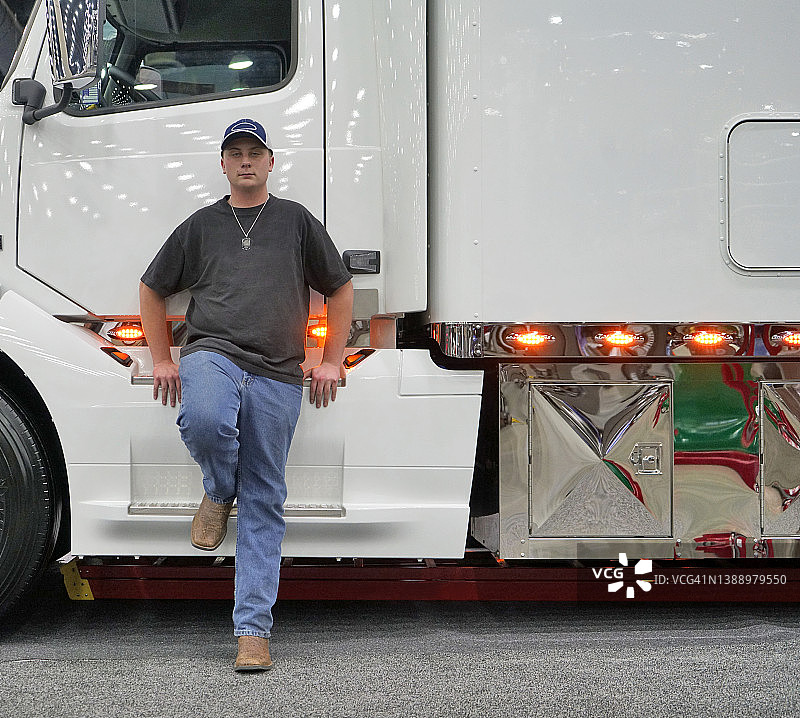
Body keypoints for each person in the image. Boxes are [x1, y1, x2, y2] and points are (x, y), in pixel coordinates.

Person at [139, 118, 354, 672]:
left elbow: (339, 286)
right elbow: (152, 287)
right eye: (235, 153)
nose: (246, 161)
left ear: (271, 161)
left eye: (255, 152)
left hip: (279, 372)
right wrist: (162, 357)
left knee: (264, 498)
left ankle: (253, 632)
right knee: (204, 419)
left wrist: (332, 358)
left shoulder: (296, 221)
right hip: (212, 351)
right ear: (222, 164)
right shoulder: (201, 225)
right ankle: (217, 488)